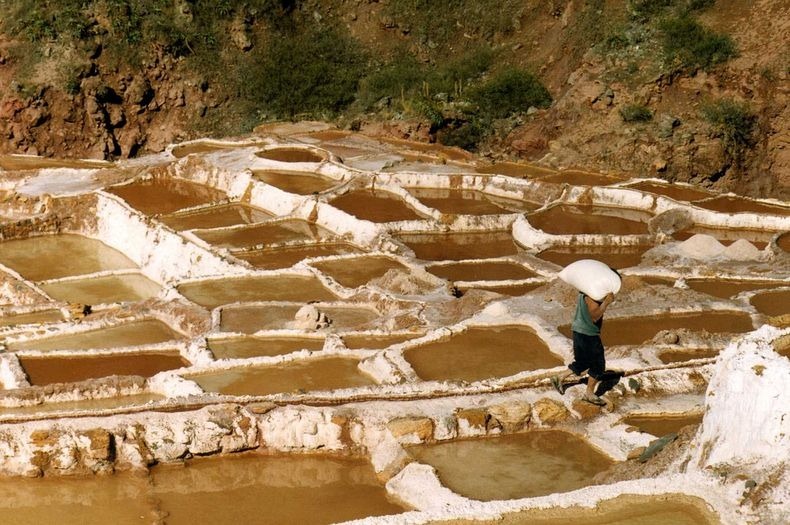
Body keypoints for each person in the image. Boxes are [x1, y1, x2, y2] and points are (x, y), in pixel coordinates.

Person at [551, 291, 615, 405]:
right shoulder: (593, 294)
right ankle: (589, 394)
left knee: (583, 361)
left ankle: (559, 377)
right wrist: (606, 302)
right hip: (588, 333)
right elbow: (594, 316)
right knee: (598, 365)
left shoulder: (584, 290)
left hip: (578, 330)